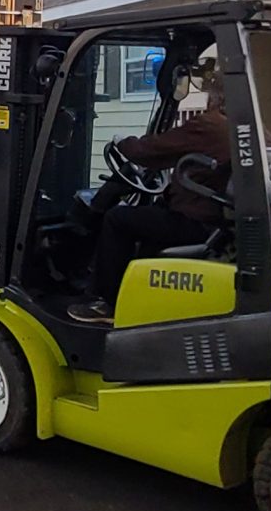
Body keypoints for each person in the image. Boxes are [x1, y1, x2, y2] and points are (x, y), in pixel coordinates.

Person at [69, 72, 232, 326]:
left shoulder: (210, 125)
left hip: (197, 222)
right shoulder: (249, 128)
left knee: (117, 219)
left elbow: (150, 150)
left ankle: (107, 302)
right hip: (220, 222)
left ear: (215, 97)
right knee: (150, 217)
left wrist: (124, 143)